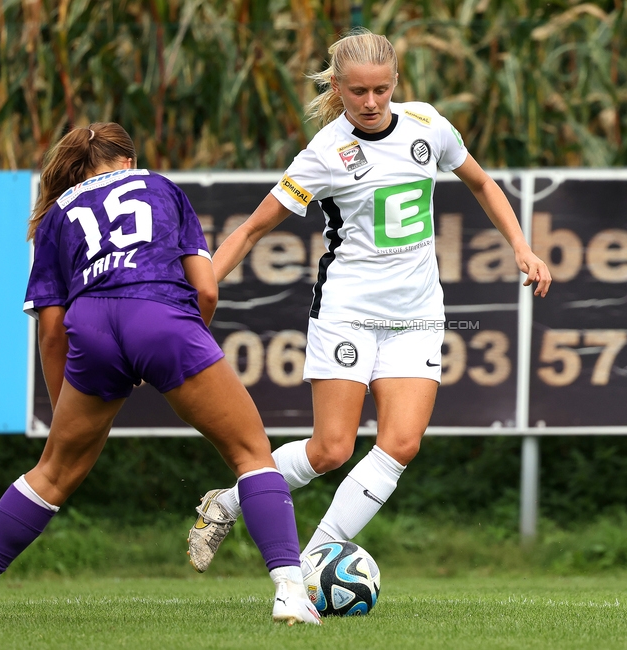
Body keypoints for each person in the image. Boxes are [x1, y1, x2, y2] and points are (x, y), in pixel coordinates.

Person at [186, 29, 551, 572]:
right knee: (331, 449)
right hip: (348, 314)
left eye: (382, 89)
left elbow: (480, 182)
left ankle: (308, 569)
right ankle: (228, 501)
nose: (372, 102)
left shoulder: (428, 124)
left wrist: (521, 245)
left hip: (418, 316)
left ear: (396, 82)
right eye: (358, 92)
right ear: (338, 87)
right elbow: (251, 232)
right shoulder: (325, 154)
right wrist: (194, 297)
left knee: (401, 444)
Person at [0, 123, 319, 626]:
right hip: (159, 314)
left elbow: (51, 332)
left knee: (53, 471)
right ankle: (289, 591)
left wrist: (65, 400)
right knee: (251, 453)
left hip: (89, 326)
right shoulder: (160, 187)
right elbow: (206, 291)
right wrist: (181, 346)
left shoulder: (57, 213)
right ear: (128, 162)